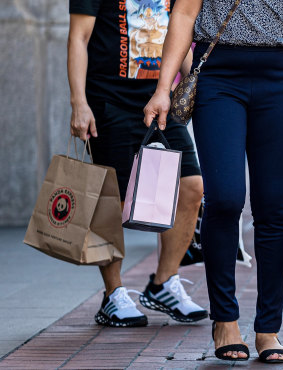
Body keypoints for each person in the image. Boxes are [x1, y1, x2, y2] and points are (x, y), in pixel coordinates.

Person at [143, 0, 283, 363]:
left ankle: (268, 329)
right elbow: (185, 13)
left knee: (273, 207)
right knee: (225, 198)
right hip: (219, 76)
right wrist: (163, 87)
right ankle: (225, 319)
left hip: (282, 77)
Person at [67, 0, 208, 328]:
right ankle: (113, 293)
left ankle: (163, 283)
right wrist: (79, 103)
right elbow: (78, 37)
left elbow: (177, 33)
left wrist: (195, 87)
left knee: (190, 186)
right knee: (110, 200)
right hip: (109, 101)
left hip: (159, 99)